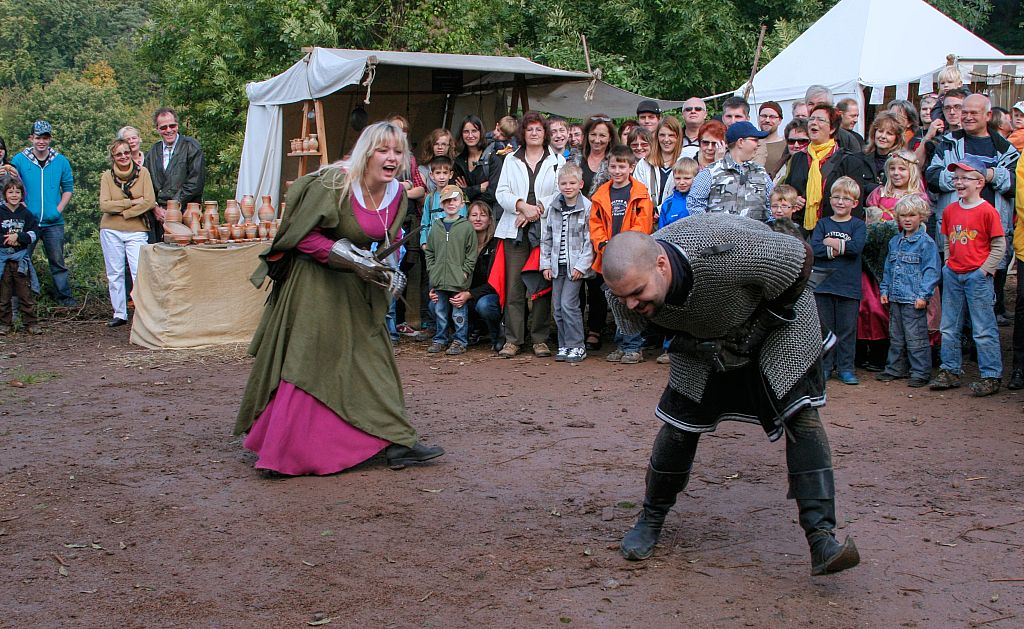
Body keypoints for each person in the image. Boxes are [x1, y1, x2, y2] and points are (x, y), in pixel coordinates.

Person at [603, 217, 859, 576]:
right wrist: (699, 341)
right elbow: (638, 326)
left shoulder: (722, 252)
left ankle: (822, 539)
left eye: (637, 293)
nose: (630, 303)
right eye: (622, 297)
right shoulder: (624, 287)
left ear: (661, 265)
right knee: (679, 425)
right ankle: (650, 518)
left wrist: (757, 328)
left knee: (801, 417)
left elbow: (799, 257)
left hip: (777, 323)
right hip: (706, 335)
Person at [235, 121, 445, 475]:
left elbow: (385, 242)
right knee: (311, 359)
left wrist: (388, 270)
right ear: (367, 152)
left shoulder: (396, 194)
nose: (391, 158)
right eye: (383, 150)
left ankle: (397, 441)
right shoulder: (334, 183)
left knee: (375, 356)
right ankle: (286, 453)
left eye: (397, 151)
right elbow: (299, 235)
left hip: (358, 286)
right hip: (315, 282)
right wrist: (349, 257)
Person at [926, 94, 1018, 324]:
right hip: (956, 236)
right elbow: (932, 176)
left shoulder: (1006, 150)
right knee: (953, 301)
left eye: (973, 112)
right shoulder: (947, 143)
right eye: (963, 112)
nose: (966, 116)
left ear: (987, 116)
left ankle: (983, 349)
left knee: (987, 301)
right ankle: (957, 348)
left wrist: (990, 175)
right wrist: (963, 177)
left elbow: (1016, 185)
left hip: (990, 236)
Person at [930, 156, 1006, 397]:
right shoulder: (951, 210)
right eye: (956, 178)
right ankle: (950, 369)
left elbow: (999, 245)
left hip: (977, 276)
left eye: (965, 178)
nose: (959, 182)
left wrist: (984, 270)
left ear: (980, 182)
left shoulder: (988, 211)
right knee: (949, 325)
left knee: (983, 327)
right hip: (954, 273)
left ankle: (991, 374)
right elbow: (947, 239)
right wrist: (948, 265)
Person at [494, 111, 565, 358]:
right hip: (515, 228)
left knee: (541, 285)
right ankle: (513, 340)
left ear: (545, 133)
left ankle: (540, 339)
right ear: (522, 133)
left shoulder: (557, 161)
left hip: (544, 230)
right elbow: (501, 192)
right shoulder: (511, 159)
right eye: (529, 129)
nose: (534, 133)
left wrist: (536, 210)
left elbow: (561, 192)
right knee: (514, 288)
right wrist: (521, 206)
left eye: (538, 129)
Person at [589, 145, 654, 364]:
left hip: (631, 257)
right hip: (608, 257)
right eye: (613, 166)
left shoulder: (640, 194)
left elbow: (642, 225)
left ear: (631, 167)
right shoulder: (601, 194)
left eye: (621, 166)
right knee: (614, 300)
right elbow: (595, 224)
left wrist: (625, 248)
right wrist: (603, 245)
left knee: (629, 302)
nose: (617, 171)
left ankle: (634, 346)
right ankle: (622, 343)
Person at [877, 195, 940, 388]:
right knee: (896, 336)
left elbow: (931, 271)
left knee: (916, 337)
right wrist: (884, 289)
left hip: (913, 299)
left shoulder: (926, 243)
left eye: (912, 215)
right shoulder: (895, 241)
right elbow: (888, 268)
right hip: (895, 297)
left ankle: (920, 372)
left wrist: (923, 295)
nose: (907, 219)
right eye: (903, 215)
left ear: (921, 216)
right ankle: (895, 368)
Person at [11, 120, 75, 306]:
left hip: (53, 222)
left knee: (57, 262)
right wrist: (23, 209)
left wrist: (58, 209)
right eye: (38, 137)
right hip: (27, 222)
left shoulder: (60, 160)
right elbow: (12, 186)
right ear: (31, 138)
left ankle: (65, 300)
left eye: (45, 137)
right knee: (20, 261)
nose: (41, 141)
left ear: (50, 139)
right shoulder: (20, 159)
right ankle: (18, 304)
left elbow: (68, 187)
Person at [811, 177, 867, 385]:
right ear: (830, 199)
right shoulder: (823, 223)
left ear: (854, 203)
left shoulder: (858, 225)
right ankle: (825, 367)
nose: (840, 202)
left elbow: (856, 248)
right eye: (836, 197)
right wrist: (841, 247)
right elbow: (815, 249)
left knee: (846, 329)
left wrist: (831, 244)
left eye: (846, 198)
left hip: (848, 286)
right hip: (824, 285)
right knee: (824, 329)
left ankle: (845, 368)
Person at [786, 104, 874, 233]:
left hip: (834, 232)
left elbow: (855, 205)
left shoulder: (849, 161)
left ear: (832, 128)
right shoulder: (798, 158)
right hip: (801, 232)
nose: (813, 123)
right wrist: (794, 198)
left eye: (820, 120)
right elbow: (788, 191)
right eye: (811, 119)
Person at [98, 139, 156, 327]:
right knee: (115, 272)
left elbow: (149, 201)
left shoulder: (143, 173)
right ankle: (119, 313)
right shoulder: (107, 176)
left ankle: (142, 311)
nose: (123, 157)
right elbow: (104, 205)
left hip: (137, 229)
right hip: (110, 229)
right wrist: (130, 203)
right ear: (113, 157)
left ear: (131, 153)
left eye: (126, 152)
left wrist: (126, 214)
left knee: (139, 271)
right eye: (118, 154)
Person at [539, 163, 594, 363]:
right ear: (558, 185)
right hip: (556, 265)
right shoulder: (554, 206)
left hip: (575, 266)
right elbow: (546, 237)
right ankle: (564, 344)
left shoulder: (587, 207)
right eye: (563, 183)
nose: (568, 186)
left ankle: (577, 345)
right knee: (558, 307)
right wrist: (545, 264)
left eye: (572, 183)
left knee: (569, 304)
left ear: (580, 184)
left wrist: (582, 266)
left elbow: (590, 241)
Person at [425, 185, 477, 356]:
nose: (451, 203)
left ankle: (460, 340)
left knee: (458, 312)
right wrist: (432, 271)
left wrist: (465, 273)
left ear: (462, 203)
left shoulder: (466, 227)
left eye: (454, 200)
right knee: (440, 311)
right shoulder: (436, 227)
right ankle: (440, 339)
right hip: (439, 278)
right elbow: (430, 252)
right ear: (442, 204)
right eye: (447, 200)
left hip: (458, 280)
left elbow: (471, 254)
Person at [687, 121, 773, 221]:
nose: (758, 144)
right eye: (754, 140)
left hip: (757, 235)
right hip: (718, 236)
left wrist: (768, 230)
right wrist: (709, 231)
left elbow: (773, 205)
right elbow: (694, 204)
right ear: (740, 142)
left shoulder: (761, 173)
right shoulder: (710, 173)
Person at [144, 107, 204, 244]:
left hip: (186, 214)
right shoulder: (153, 152)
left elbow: (195, 183)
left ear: (177, 125)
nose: (169, 130)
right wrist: (155, 208)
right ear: (157, 129)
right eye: (163, 127)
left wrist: (172, 208)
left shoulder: (192, 147)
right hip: (159, 217)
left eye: (172, 125)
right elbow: (146, 184)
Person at [0, 177, 40, 335]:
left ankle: (31, 322)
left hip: (20, 258)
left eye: (17, 192)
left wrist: (19, 238)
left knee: (25, 293)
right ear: (5, 194)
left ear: (22, 194)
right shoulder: (1, 212)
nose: (14, 195)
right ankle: (4, 323)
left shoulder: (26, 213)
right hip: (3, 258)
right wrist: (7, 240)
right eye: (10, 192)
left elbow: (34, 233)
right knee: (4, 294)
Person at [461, 201, 502, 351]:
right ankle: (473, 330)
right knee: (437, 303)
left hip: (490, 294)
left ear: (490, 219)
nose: (478, 219)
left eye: (482, 215)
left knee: (484, 305)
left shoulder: (496, 244)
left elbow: (496, 281)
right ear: (468, 219)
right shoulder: (461, 243)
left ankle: (497, 335)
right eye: (474, 215)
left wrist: (470, 294)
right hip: (467, 292)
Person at [453, 115, 497, 207]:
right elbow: (456, 194)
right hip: (466, 215)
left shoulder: (493, 158)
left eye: (474, 131)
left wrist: (467, 190)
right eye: (466, 132)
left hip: (489, 215)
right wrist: (478, 189)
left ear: (481, 133)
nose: (470, 135)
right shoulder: (459, 161)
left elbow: (493, 194)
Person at [804, 85, 863, 152]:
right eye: (811, 104)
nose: (814, 108)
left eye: (820, 104)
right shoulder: (795, 133)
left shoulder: (846, 139)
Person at [645, 117, 683, 210]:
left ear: (678, 137)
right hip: (648, 217)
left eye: (671, 135)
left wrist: (661, 210)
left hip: (676, 217)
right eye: (662, 135)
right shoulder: (644, 163)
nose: (666, 140)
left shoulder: (685, 162)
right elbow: (638, 192)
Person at [574, 114, 617, 196]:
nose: (597, 140)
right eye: (593, 134)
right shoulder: (574, 159)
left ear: (610, 137)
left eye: (602, 135)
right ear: (587, 135)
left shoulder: (617, 161)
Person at [863, 113, 906, 187]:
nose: (883, 136)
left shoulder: (904, 162)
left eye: (889, 133)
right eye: (880, 131)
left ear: (897, 139)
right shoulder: (859, 158)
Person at [659, 158, 696, 230]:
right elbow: (660, 232)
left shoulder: (700, 201)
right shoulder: (668, 203)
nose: (681, 182)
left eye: (687, 178)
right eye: (678, 178)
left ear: (696, 178)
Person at [772, 119, 810, 185]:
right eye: (791, 141)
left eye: (802, 141)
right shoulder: (781, 164)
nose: (796, 145)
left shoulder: (813, 165)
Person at [417, 128, 456, 193]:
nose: (440, 147)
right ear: (431, 146)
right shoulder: (423, 168)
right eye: (436, 144)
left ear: (449, 146)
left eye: (443, 144)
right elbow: (421, 195)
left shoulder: (455, 166)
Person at [758, 101, 786, 176]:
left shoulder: (787, 146)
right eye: (764, 116)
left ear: (780, 120)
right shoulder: (750, 144)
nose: (767, 120)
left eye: (772, 117)